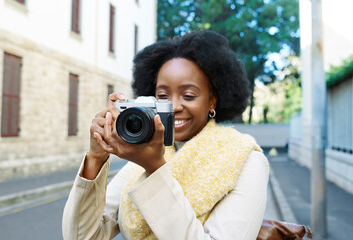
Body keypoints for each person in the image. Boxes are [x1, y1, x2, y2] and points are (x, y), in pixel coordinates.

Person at [62, 30, 269, 240]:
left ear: (212, 101)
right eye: (162, 96)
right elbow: (81, 237)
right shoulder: (139, 162)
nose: (174, 106)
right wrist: (96, 159)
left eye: (188, 95)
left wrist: (154, 169)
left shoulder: (247, 161)